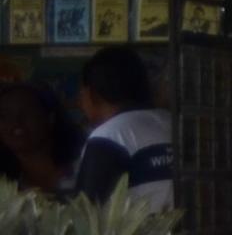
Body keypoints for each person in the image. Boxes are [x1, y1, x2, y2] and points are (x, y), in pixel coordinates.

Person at [67, 46, 172, 210]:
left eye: (81, 93)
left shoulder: (109, 136)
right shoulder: (171, 122)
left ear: (92, 93)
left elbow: (84, 212)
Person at [0, 77, 78, 195]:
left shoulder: (85, 166)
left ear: (50, 118)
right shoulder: (5, 183)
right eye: (5, 115)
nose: (16, 122)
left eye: (27, 112)